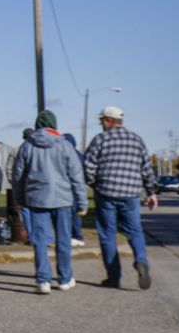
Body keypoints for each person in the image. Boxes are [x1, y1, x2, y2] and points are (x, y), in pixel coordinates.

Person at [9, 110, 87, 294]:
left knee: (40, 240)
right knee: (63, 240)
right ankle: (64, 278)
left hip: (37, 198)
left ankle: (43, 280)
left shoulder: (27, 146)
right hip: (63, 199)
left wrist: (20, 198)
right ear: (54, 125)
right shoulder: (65, 145)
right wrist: (81, 202)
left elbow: (17, 176)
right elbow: (77, 176)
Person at [83, 105, 159, 289]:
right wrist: (151, 192)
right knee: (134, 230)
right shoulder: (136, 140)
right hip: (131, 193)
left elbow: (88, 167)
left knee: (108, 235)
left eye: (102, 120)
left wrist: (94, 183)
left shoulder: (100, 139)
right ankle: (141, 260)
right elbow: (146, 169)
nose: (101, 123)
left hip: (106, 192)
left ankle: (114, 277)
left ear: (108, 120)